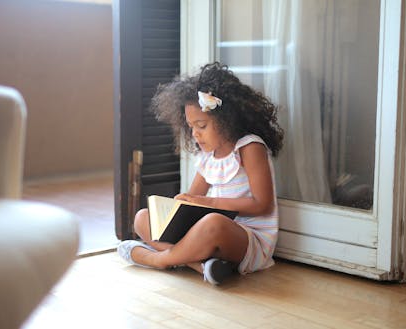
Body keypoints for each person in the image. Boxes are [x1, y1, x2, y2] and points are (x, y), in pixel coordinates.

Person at [118, 62, 284, 285]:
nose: (195, 134)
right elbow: (192, 201)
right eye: (191, 127)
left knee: (213, 222)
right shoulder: (208, 157)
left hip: (247, 238)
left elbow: (263, 205)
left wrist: (210, 202)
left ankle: (158, 259)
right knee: (142, 218)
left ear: (227, 121)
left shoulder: (249, 147)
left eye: (201, 125)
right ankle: (202, 266)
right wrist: (177, 206)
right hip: (210, 234)